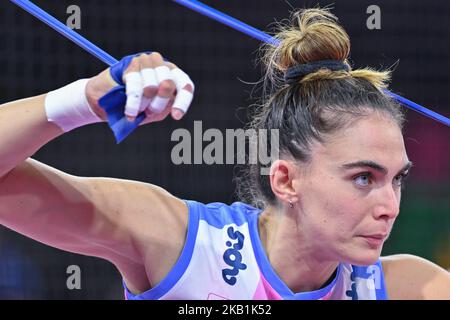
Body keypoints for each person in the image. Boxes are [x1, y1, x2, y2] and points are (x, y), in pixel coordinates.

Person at [0, 8, 449, 300]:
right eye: (364, 178)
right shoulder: (180, 246)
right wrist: (81, 102)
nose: (390, 206)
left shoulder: (411, 287)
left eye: (397, 179)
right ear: (286, 180)